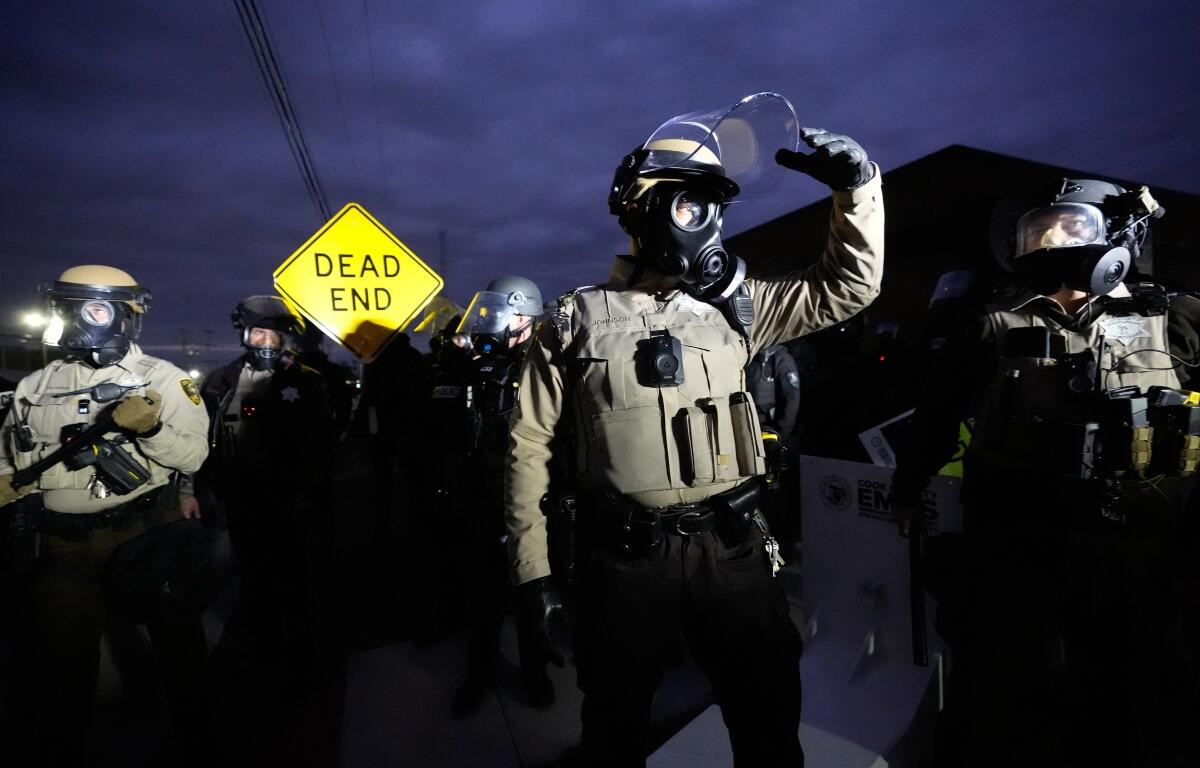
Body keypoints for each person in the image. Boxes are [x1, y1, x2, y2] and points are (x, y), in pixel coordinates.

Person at [505, 93, 884, 766]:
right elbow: (526, 446)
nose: (702, 221)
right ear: (637, 207)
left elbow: (849, 287)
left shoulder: (740, 307)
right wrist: (532, 572)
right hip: (625, 565)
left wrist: (857, 191)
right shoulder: (575, 319)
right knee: (615, 727)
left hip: (733, 554)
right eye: (685, 202)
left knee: (767, 718)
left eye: (711, 204)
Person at [893, 179, 1200, 767]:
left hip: (1132, 546)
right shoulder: (990, 326)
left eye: (1071, 227)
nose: (1052, 240)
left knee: (1129, 686)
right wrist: (908, 489)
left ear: (1113, 239)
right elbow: (937, 415)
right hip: (1017, 541)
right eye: (1040, 231)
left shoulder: (1171, 317)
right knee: (1003, 686)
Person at [0, 265, 210, 766]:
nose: (76, 320)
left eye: (91, 308)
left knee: (176, 646)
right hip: (62, 547)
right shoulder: (38, 382)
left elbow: (193, 457)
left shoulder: (163, 379)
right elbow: (11, 450)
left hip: (141, 535)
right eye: (69, 307)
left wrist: (153, 427)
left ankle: (200, 739)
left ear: (121, 317)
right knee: (62, 664)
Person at [184, 296, 333, 673]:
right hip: (236, 499)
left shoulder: (308, 383)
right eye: (259, 333)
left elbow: (323, 443)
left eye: (275, 335)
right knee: (248, 580)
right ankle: (258, 653)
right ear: (245, 335)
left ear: (288, 341)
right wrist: (193, 490)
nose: (267, 342)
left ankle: (301, 659)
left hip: (290, 501)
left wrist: (307, 492)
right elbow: (200, 437)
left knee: (295, 581)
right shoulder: (221, 380)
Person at [450, 276, 556, 715]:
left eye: (507, 315)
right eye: (493, 313)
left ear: (527, 319)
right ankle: (481, 674)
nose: (495, 323)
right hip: (481, 498)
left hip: (530, 502)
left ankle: (535, 673)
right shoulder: (476, 365)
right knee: (482, 596)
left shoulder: (543, 367)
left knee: (531, 593)